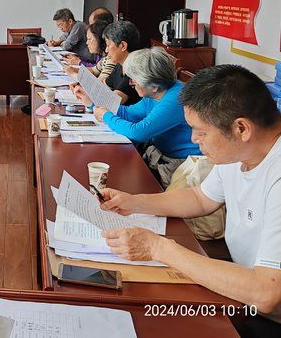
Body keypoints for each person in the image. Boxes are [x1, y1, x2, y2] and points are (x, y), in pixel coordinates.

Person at [100, 65, 281, 336]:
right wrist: (134, 202)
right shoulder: (240, 152)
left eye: (200, 132)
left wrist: (157, 248)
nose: (194, 139)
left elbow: (266, 293)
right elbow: (200, 198)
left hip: (266, 315)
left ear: (241, 128)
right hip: (240, 289)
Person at [93, 48, 200, 186]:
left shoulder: (175, 99)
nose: (131, 84)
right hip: (161, 155)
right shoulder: (156, 92)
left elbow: (138, 132)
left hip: (181, 165)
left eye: (134, 80)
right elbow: (129, 113)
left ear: (154, 86)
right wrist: (94, 104)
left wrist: (106, 116)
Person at [73, 20, 141, 106]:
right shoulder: (119, 66)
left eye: (108, 45)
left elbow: (112, 102)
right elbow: (102, 86)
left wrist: (89, 101)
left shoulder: (134, 71)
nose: (106, 50)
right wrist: (82, 86)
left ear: (123, 46)